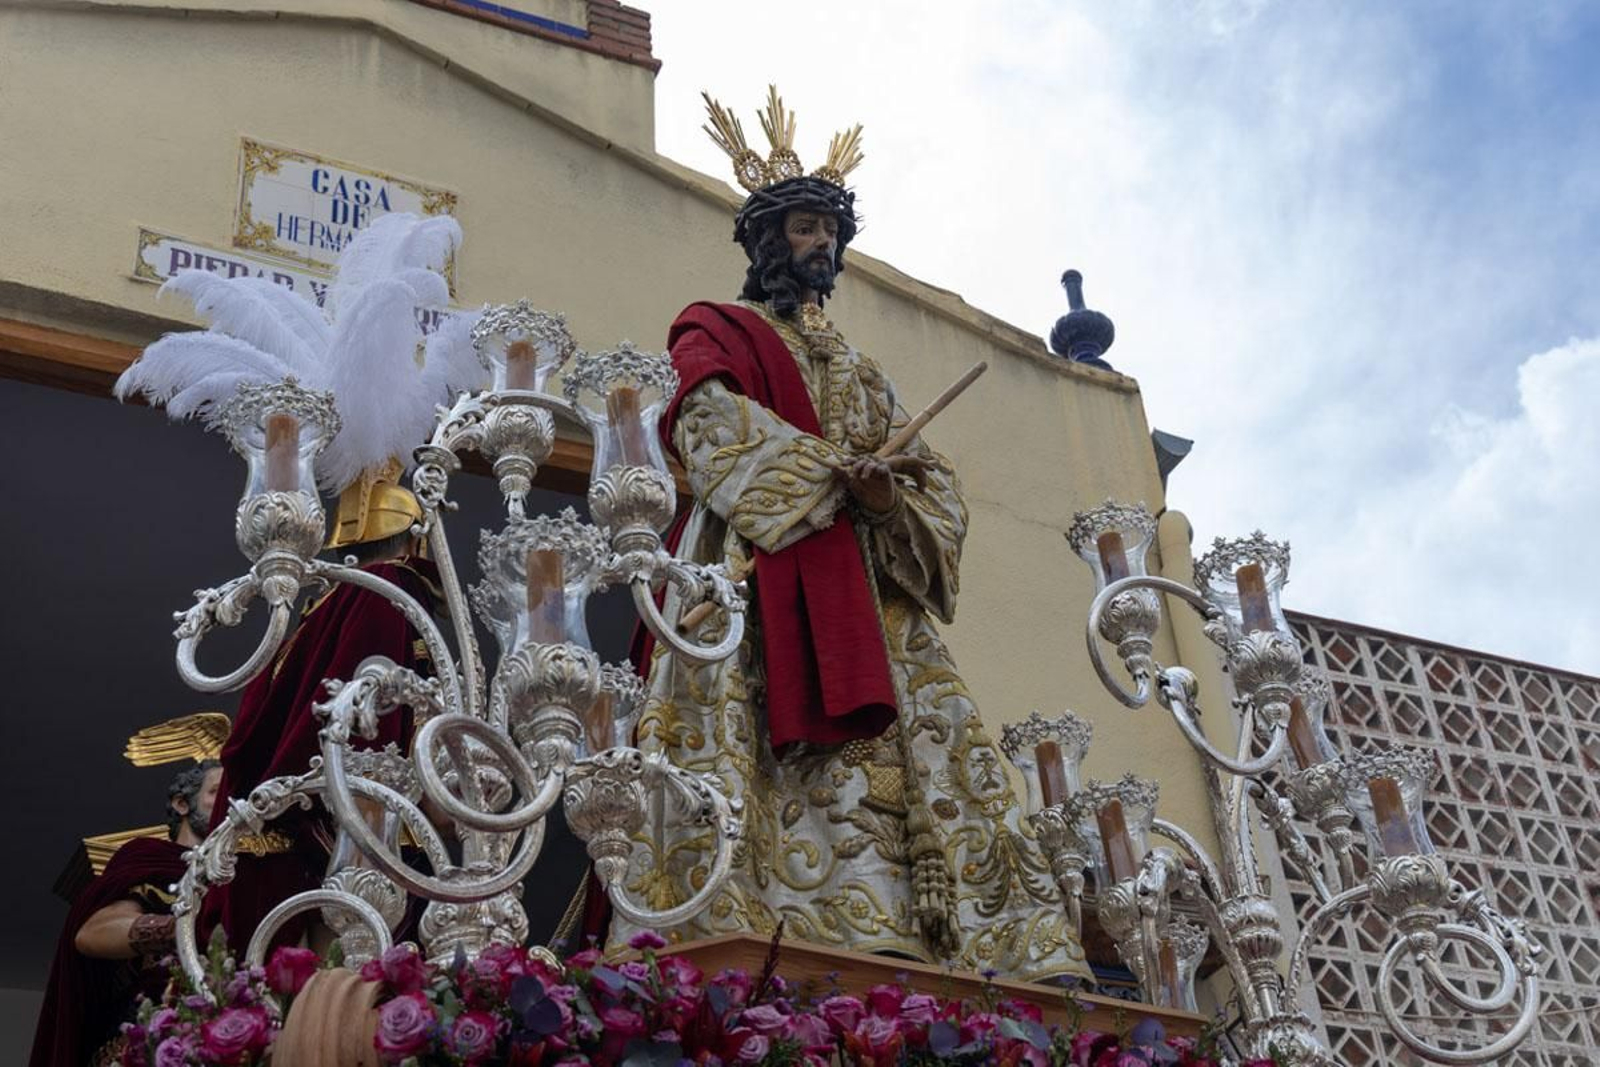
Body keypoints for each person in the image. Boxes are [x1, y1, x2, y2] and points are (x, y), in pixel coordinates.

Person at [611, 89, 1088, 982]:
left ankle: (934, 938)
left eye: (829, 232)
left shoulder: (867, 373)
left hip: (874, 602)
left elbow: (933, 484)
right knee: (729, 745)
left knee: (935, 752)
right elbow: (706, 423)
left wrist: (881, 500)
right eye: (802, 228)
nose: (820, 245)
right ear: (766, 242)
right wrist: (834, 476)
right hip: (752, 575)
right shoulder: (719, 328)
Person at [30, 762, 221, 1067]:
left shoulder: (240, 879)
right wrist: (181, 930)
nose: (227, 800)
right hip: (145, 1036)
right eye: (216, 791)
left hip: (219, 1034)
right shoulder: (145, 857)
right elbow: (92, 933)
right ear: (182, 804)